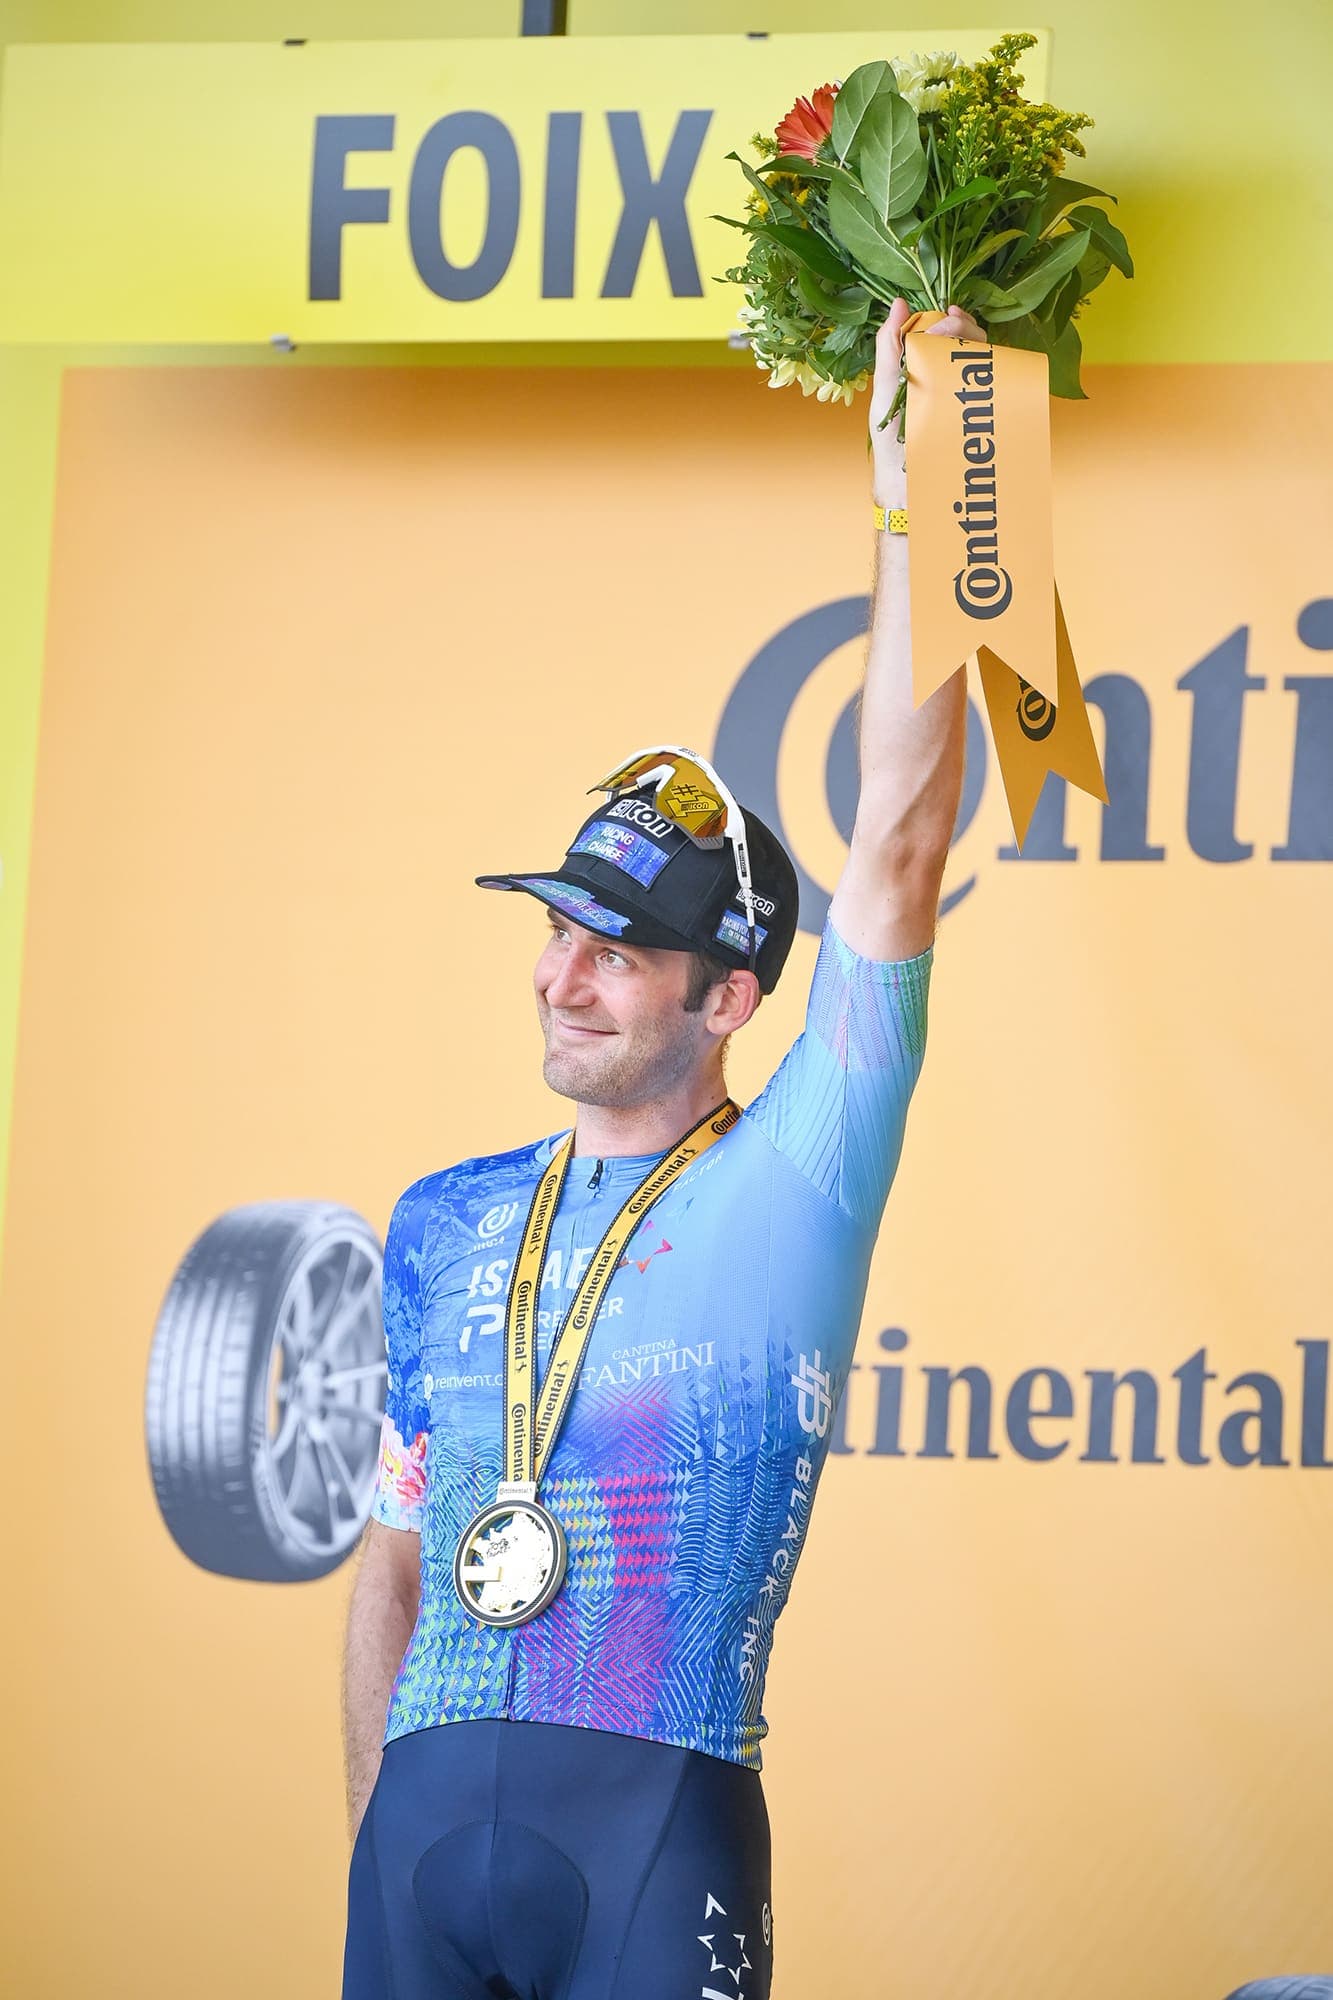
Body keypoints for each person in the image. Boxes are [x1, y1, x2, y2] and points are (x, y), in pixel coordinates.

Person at [340, 297, 982, 2000]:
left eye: (613, 950)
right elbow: (391, 1566)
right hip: (412, 1850)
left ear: (730, 998)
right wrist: (372, 1844)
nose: (559, 976)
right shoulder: (446, 1221)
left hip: (653, 1831)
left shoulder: (800, 1176)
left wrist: (923, 474)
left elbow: (904, 833)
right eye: (556, 933)